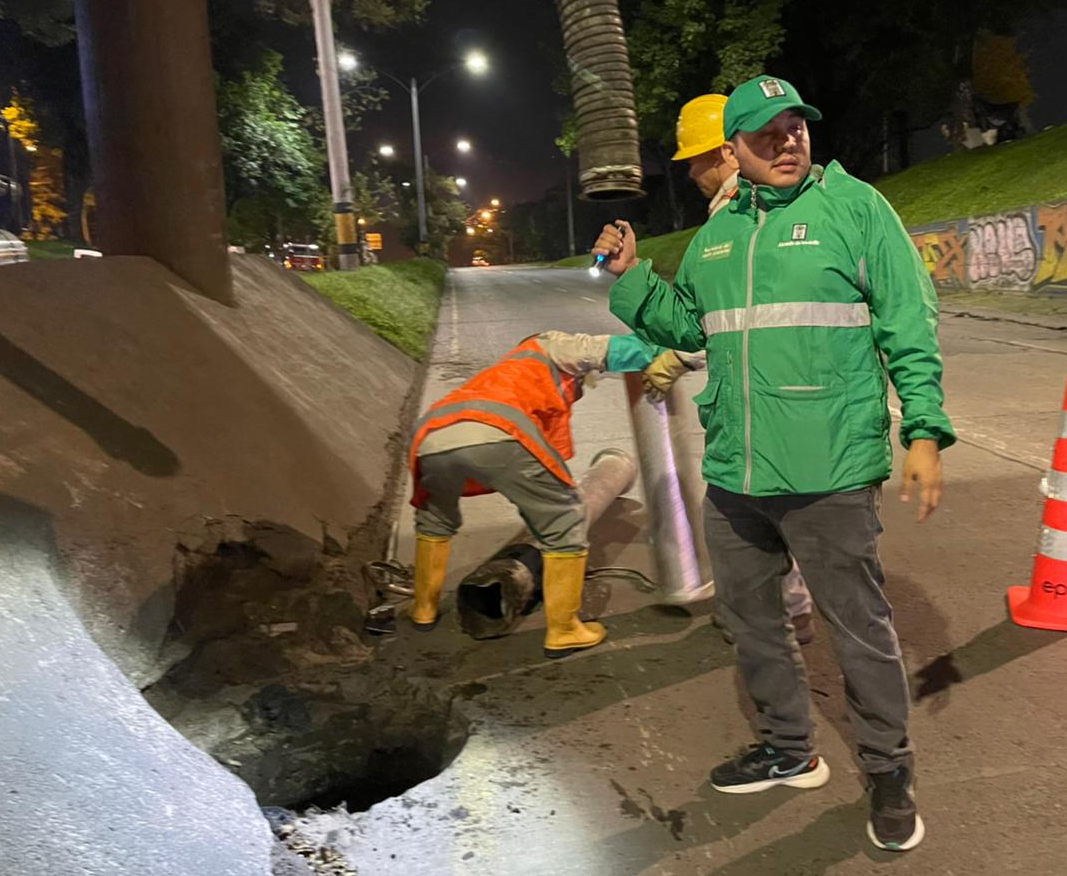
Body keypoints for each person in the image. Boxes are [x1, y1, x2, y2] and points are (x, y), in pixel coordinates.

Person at [591, 75, 955, 852]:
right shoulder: (719, 237)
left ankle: (890, 772)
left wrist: (923, 430)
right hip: (737, 475)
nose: (788, 143)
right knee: (752, 623)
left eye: (797, 128)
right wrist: (630, 283)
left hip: (829, 472)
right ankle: (790, 750)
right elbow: (688, 324)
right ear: (736, 150)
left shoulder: (855, 210)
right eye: (768, 135)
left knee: (859, 633)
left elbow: (908, 320)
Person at [654, 91, 815, 646]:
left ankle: (782, 615)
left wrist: (676, 354)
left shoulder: (742, 212)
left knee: (760, 512)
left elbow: (747, 312)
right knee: (776, 510)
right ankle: (785, 608)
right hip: (785, 395)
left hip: (772, 397)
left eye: (696, 158)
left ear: (726, 154)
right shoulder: (754, 206)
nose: (691, 171)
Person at [407, 331, 678, 659]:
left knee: (435, 521)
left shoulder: (508, 372)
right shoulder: (549, 345)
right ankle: (565, 631)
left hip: (432, 436)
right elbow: (619, 349)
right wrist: (673, 352)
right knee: (565, 522)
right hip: (496, 430)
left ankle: (423, 609)